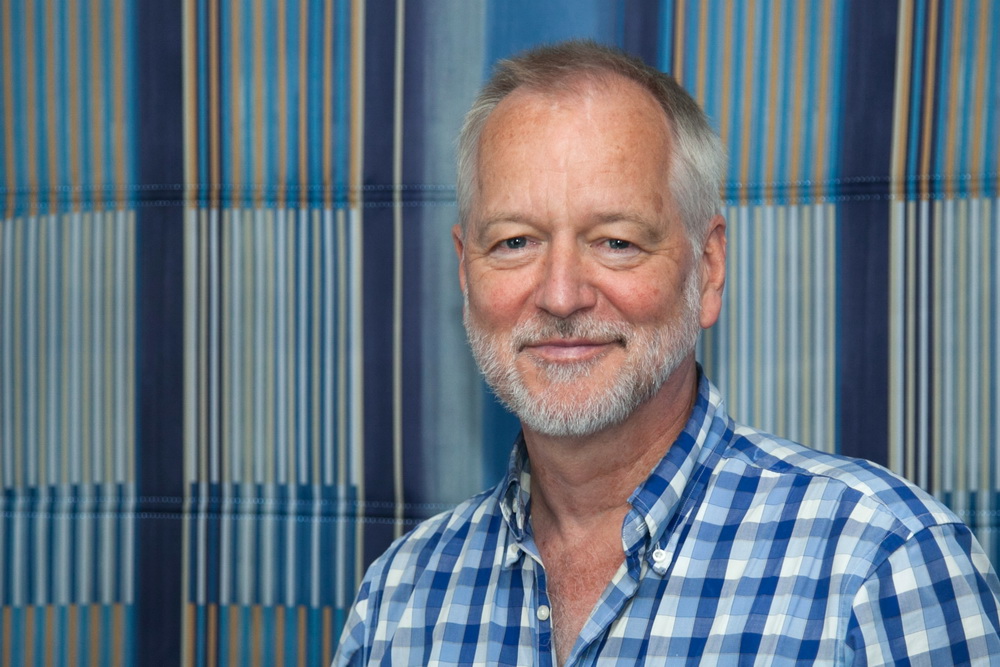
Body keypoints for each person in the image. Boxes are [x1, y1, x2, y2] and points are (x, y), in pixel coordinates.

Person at [335, 40, 1000, 665]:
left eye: (616, 241)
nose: (561, 295)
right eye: (514, 241)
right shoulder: (400, 598)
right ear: (465, 271)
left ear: (707, 269)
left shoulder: (882, 566)